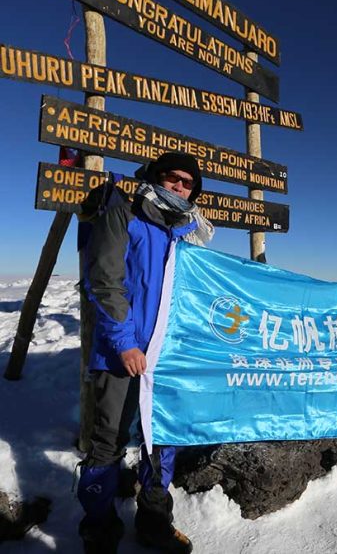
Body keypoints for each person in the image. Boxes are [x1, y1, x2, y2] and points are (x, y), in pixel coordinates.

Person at [77, 152, 214, 553]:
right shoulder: (126, 213)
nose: (178, 185)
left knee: (162, 439)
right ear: (155, 178)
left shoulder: (188, 233)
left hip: (167, 356)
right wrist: (125, 344)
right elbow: (103, 281)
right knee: (108, 440)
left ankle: (154, 520)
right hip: (122, 353)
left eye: (187, 182)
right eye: (170, 177)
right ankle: (98, 525)